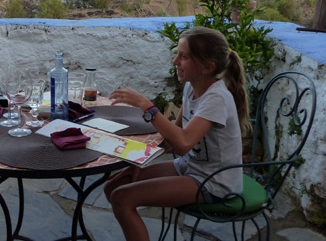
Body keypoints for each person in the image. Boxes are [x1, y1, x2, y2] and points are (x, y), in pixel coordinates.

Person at [104, 27, 249, 241]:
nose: (175, 61)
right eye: (177, 54)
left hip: (215, 182)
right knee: (113, 186)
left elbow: (183, 143)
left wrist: (146, 106)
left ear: (207, 67)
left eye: (184, 56)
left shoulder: (216, 99)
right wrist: (140, 161)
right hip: (190, 167)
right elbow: (171, 140)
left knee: (121, 198)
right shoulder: (191, 88)